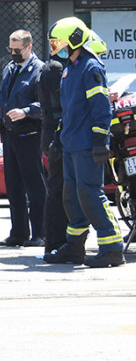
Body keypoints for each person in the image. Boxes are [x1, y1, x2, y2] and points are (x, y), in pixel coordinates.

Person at [44, 17, 124, 267]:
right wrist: (58, 138)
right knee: (71, 197)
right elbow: (69, 110)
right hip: (71, 144)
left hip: (87, 145)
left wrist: (101, 140)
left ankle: (112, 248)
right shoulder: (70, 68)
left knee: (90, 194)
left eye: (59, 43)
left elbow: (101, 108)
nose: (57, 48)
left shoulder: (91, 67)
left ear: (75, 38)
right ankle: (75, 247)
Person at [0, 30, 46, 248]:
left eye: (17, 50)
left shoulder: (40, 70)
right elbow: (3, 101)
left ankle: (41, 233)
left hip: (28, 134)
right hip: (9, 135)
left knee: (34, 185)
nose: (13, 53)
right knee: (13, 186)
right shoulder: (9, 69)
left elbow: (46, 105)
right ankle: (18, 233)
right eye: (10, 49)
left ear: (29, 47)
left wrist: (26, 111)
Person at [36, 50, 68, 255]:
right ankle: (57, 241)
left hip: (51, 134)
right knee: (59, 190)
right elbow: (60, 106)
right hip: (58, 135)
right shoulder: (56, 69)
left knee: (57, 189)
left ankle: (55, 240)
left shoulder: (47, 67)